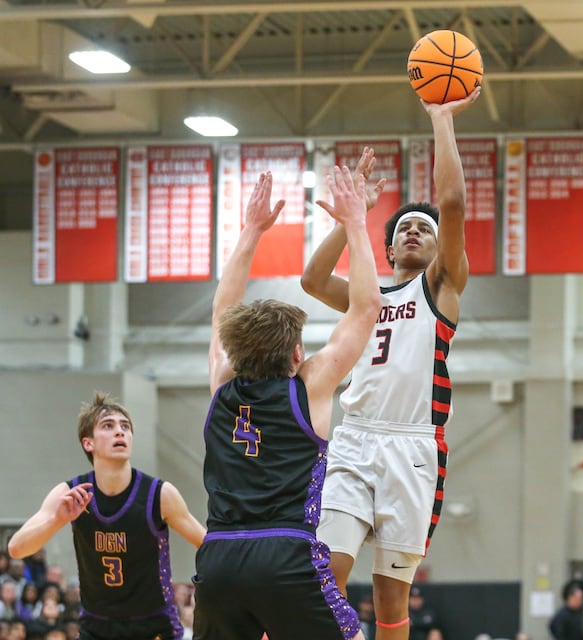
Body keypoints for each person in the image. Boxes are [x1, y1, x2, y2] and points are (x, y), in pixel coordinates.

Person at [301, 87, 481, 638]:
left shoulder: (441, 289)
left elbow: (450, 205)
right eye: (403, 226)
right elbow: (310, 280)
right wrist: (349, 217)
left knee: (389, 597)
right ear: (389, 249)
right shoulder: (368, 297)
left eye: (423, 229)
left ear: (437, 250)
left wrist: (441, 118)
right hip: (354, 439)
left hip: (412, 443)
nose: (413, 230)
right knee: (323, 576)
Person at [191, 167, 381, 640]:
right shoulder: (309, 385)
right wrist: (356, 222)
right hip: (285, 554)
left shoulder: (221, 384)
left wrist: (252, 230)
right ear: (297, 353)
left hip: (218, 560)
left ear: (235, 350)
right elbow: (366, 308)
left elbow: (222, 309)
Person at [7, 391, 206, 640]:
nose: (120, 432)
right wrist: (56, 519)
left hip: (153, 626)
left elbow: (207, 544)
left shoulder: (160, 494)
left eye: (125, 427)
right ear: (87, 443)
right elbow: (16, 548)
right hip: (96, 628)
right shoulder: (71, 493)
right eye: (108, 426)